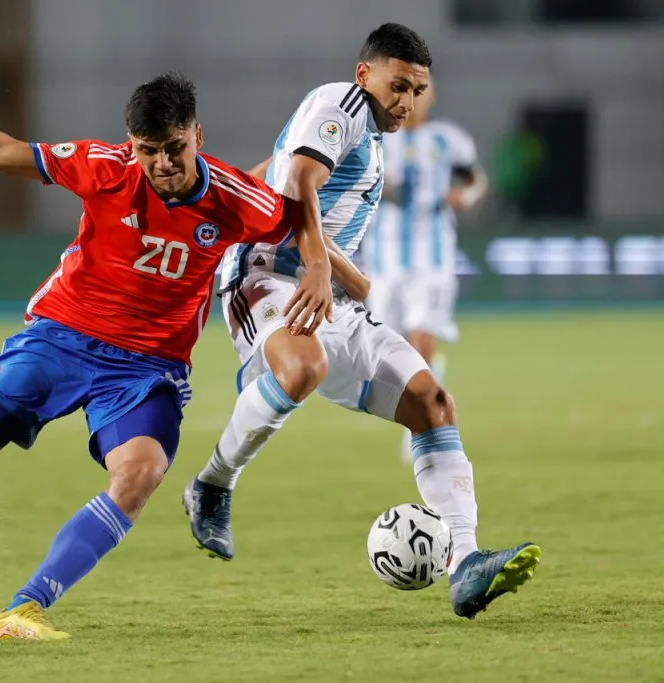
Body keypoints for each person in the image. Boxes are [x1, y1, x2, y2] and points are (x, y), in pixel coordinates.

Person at [0, 71, 333, 640]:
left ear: (197, 134)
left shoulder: (234, 198)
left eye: (176, 148)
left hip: (146, 368)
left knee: (141, 474)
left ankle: (25, 608)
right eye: (150, 152)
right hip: (60, 337)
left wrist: (318, 265)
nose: (164, 164)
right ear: (132, 145)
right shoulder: (105, 166)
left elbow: (295, 216)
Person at [182, 23, 540, 620]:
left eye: (417, 90)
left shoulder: (371, 139)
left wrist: (344, 278)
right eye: (397, 86)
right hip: (268, 275)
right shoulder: (339, 104)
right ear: (364, 75)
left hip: (329, 295)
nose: (406, 101)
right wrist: (320, 266)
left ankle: (467, 564)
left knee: (433, 403)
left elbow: (276, 172)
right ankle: (213, 484)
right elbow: (297, 181)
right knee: (302, 366)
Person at [357, 84, 488, 462]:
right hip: (383, 261)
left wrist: (467, 196)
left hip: (431, 260)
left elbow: (475, 178)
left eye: (421, 92)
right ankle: (427, 391)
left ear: (430, 97)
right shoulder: (375, 141)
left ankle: (425, 427)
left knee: (422, 342)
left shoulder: (449, 140)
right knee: (388, 357)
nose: (412, 100)